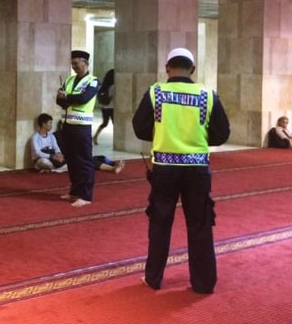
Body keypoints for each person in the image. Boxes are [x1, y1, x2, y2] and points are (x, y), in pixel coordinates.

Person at [132, 47, 230, 294]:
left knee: (160, 223)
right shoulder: (207, 95)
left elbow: (140, 128)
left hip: (164, 168)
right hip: (197, 169)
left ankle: (153, 278)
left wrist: (162, 134)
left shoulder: (156, 92)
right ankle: (204, 283)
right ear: (193, 70)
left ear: (167, 68)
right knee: (200, 225)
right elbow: (221, 134)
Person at [56, 50, 99, 207]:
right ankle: (75, 191)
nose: (73, 66)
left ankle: (86, 195)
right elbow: (59, 101)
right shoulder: (69, 80)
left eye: (76, 63)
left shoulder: (93, 81)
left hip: (82, 127)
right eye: (72, 63)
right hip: (67, 125)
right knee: (72, 160)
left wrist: (66, 97)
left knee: (84, 161)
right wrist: (64, 97)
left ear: (85, 63)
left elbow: (83, 98)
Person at [93, 69, 114, 145]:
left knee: (104, 123)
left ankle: (95, 136)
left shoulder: (103, 85)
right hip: (111, 108)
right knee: (114, 124)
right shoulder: (113, 86)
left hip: (103, 107)